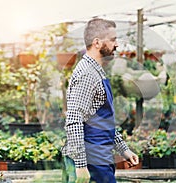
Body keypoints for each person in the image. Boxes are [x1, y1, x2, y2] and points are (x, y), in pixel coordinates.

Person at [61, 18, 139, 183]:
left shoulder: (97, 71)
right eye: (112, 40)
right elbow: (74, 120)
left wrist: (123, 149)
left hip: (99, 159)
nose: (116, 44)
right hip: (90, 162)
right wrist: (81, 166)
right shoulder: (87, 74)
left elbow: (101, 121)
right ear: (97, 42)